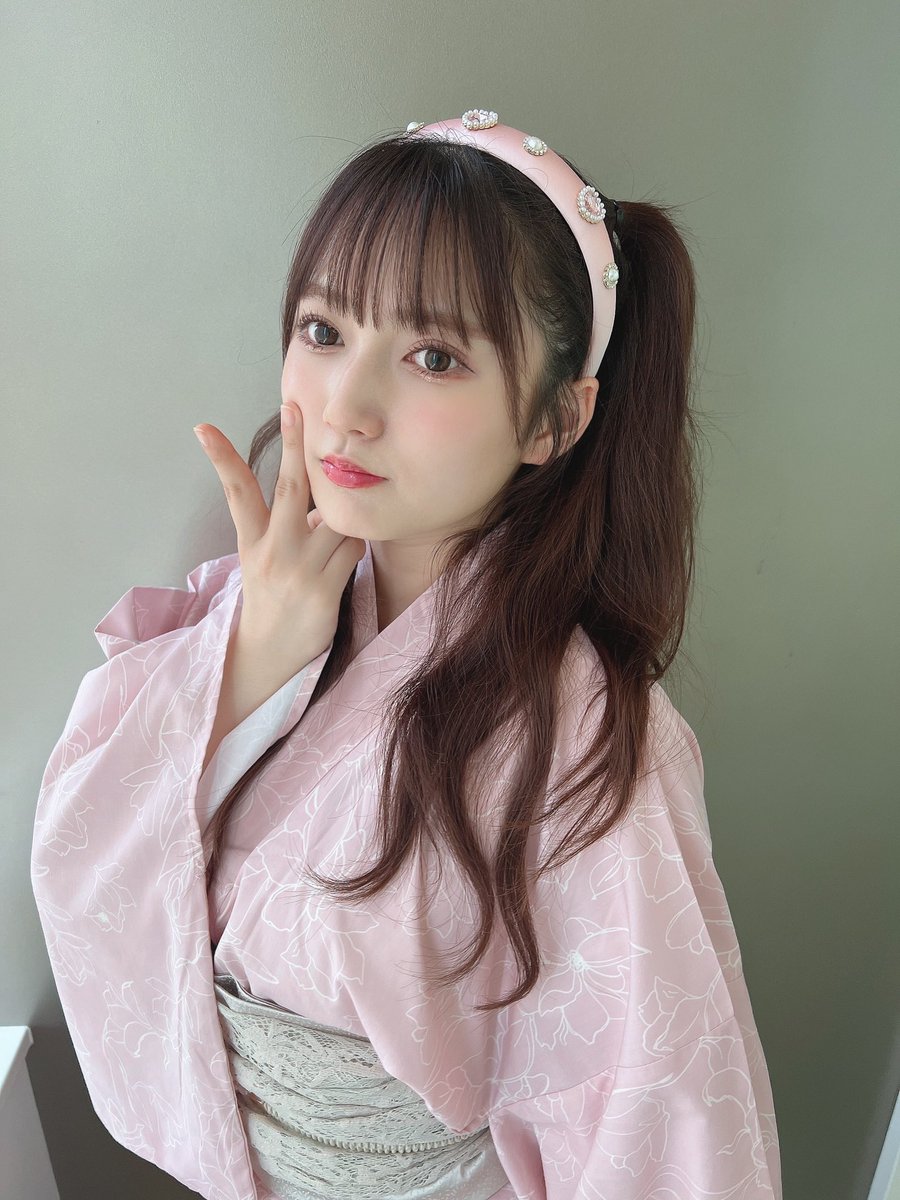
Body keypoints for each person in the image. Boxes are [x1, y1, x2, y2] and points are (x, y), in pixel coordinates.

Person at [30, 110, 783, 1199]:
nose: (345, 407)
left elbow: (660, 1128)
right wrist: (251, 662)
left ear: (555, 422)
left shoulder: (589, 744)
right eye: (324, 330)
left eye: (433, 356)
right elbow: (84, 865)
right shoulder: (247, 609)